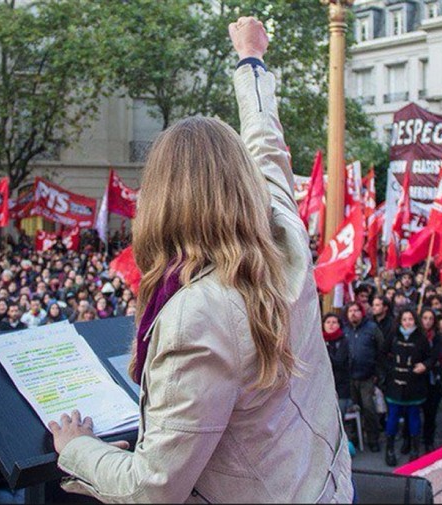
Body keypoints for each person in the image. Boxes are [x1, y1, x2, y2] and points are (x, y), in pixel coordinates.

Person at [47, 17, 352, 503]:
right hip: (326, 487)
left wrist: (77, 448)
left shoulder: (196, 315)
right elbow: (266, 144)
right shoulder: (285, 237)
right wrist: (250, 61)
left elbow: (152, 488)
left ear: (164, 199)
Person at [383, 309, 434, 466]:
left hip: (415, 385)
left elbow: (431, 357)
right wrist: (391, 369)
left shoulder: (421, 338)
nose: (407, 322)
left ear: (415, 321)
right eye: (404, 319)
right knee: (392, 417)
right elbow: (382, 354)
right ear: (400, 321)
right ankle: (389, 449)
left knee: (414, 418)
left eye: (410, 319)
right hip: (395, 386)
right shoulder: (393, 336)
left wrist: (425, 366)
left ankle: (414, 449)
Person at [343, 301, 385, 453]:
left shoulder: (372, 329)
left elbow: (381, 350)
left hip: (367, 377)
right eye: (350, 310)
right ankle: (354, 437)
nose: (353, 313)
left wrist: (378, 374)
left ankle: (373, 439)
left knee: (369, 409)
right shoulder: (344, 329)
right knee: (352, 408)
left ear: (362, 313)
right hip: (349, 378)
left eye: (356, 310)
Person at [419, 308, 442, 453]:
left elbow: (435, 356)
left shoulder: (437, 337)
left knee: (431, 412)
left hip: (433, 378)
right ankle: (412, 440)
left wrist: (426, 364)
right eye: (425, 318)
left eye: (430, 319)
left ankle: (429, 440)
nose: (427, 321)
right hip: (418, 379)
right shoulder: (416, 336)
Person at [323, 313, 351, 417]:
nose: (331, 325)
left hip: (341, 386)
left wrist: (325, 351)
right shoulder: (319, 340)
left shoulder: (344, 341)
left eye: (334, 322)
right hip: (323, 387)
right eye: (328, 322)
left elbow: (339, 362)